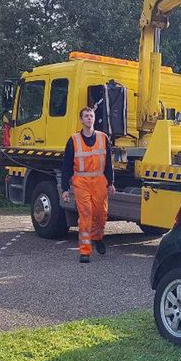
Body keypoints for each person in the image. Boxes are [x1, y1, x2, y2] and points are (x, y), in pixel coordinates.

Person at [61, 106, 116, 263]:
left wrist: (111, 182)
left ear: (94, 118)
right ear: (81, 120)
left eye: (91, 115)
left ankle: (98, 237)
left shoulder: (103, 138)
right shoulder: (73, 140)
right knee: (86, 214)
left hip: (100, 181)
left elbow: (109, 164)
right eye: (86, 116)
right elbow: (66, 165)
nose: (89, 118)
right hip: (81, 182)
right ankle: (85, 251)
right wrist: (65, 188)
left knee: (100, 214)